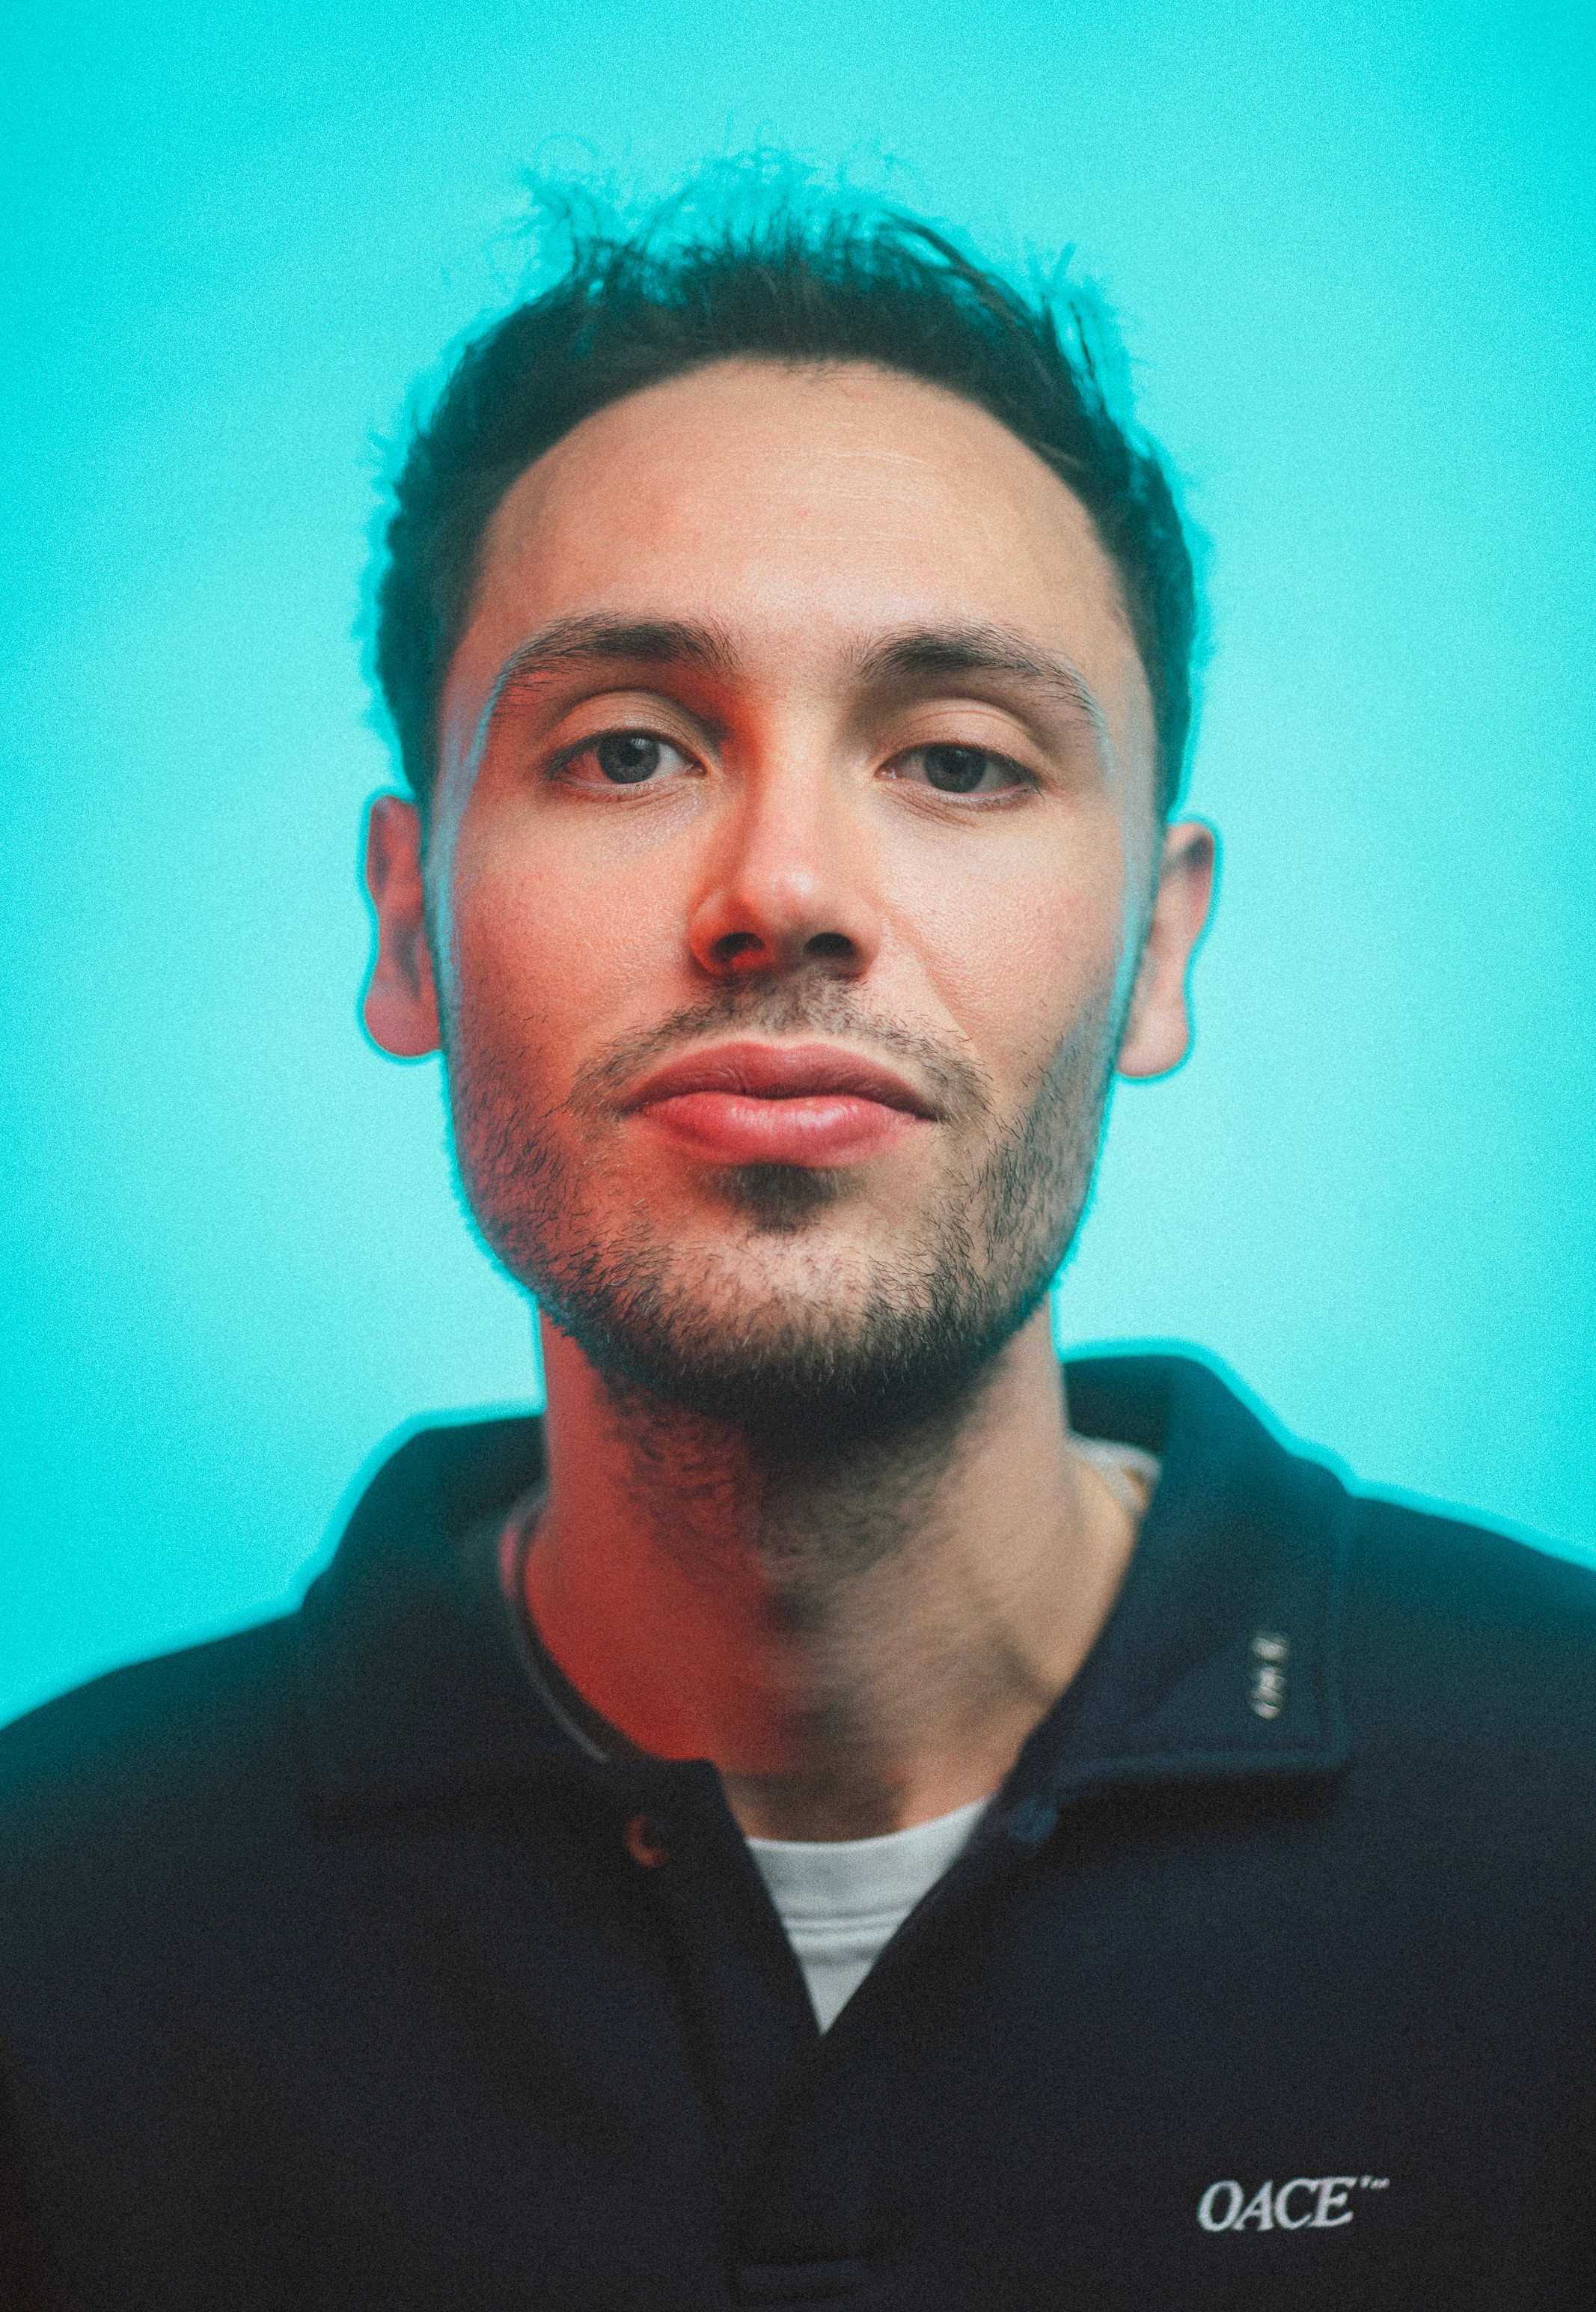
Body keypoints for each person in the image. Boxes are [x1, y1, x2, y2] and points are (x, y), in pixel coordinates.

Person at [2, 180, 1593, 2312]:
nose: (784, 891)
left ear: (1157, 949)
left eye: (958, 761)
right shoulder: (50, 1928)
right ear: (408, 926)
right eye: (626, 750)